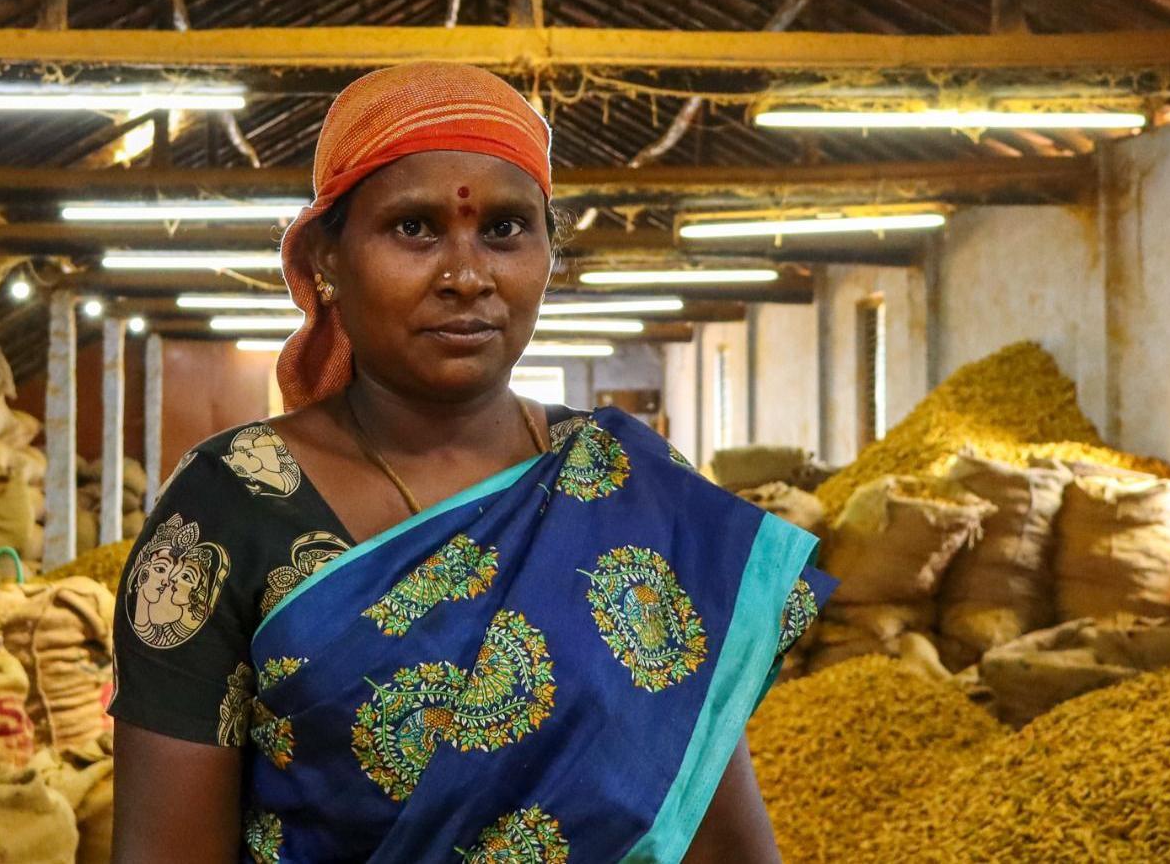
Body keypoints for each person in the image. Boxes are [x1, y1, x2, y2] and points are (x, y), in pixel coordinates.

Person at [110, 62, 833, 863]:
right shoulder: (227, 510)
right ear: (325, 258)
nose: (466, 276)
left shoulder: (631, 484)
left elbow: (707, 808)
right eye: (414, 228)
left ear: (549, 251)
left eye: (505, 229)